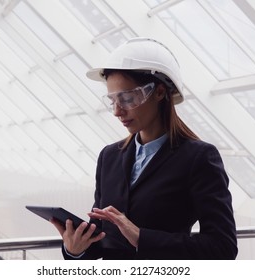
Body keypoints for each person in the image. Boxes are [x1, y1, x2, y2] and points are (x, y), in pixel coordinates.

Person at [51, 37, 237, 260]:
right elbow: (101, 240)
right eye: (112, 101)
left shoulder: (198, 158)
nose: (117, 111)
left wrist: (141, 238)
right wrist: (75, 249)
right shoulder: (109, 157)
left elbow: (222, 247)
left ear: (159, 92)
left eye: (127, 98)